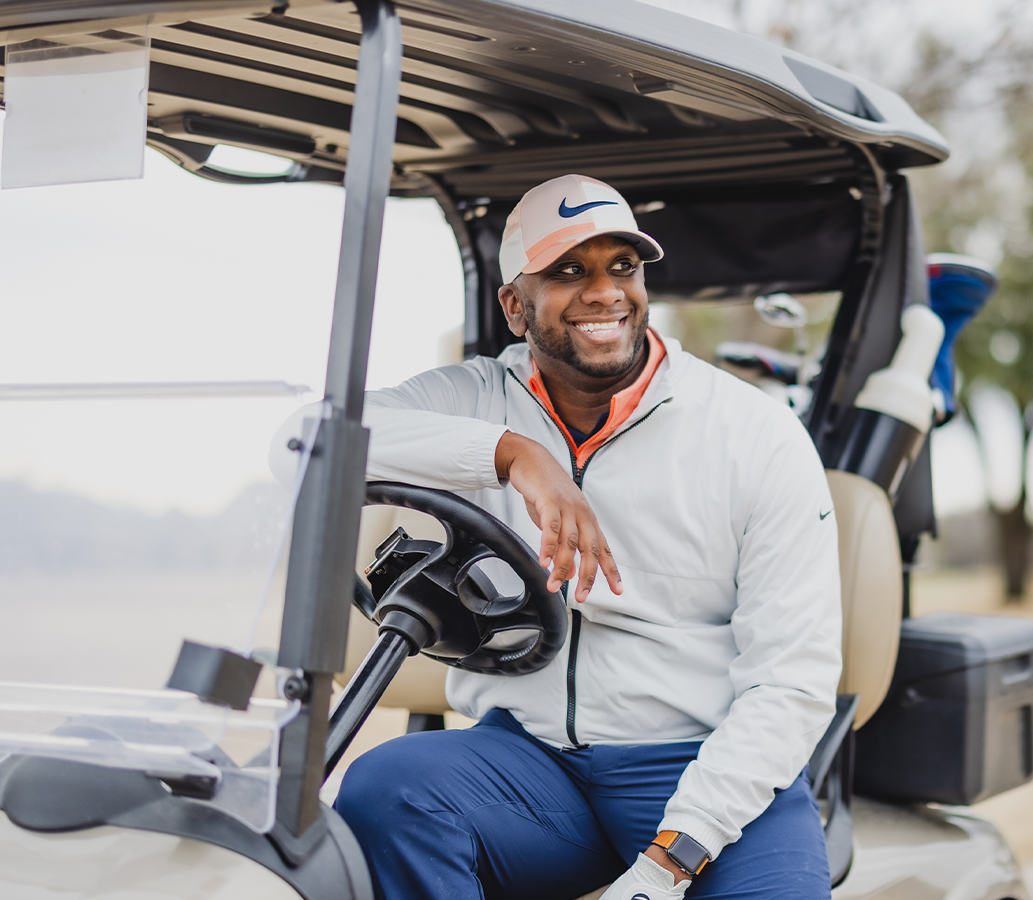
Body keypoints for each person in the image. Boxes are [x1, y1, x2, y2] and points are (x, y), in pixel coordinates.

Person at [330, 174, 842, 900]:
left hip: (700, 764)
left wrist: (669, 862)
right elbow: (311, 437)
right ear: (514, 305)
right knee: (387, 786)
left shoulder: (753, 433)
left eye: (622, 268)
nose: (604, 292)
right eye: (568, 271)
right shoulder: (476, 398)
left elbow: (790, 679)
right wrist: (514, 456)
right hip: (533, 766)